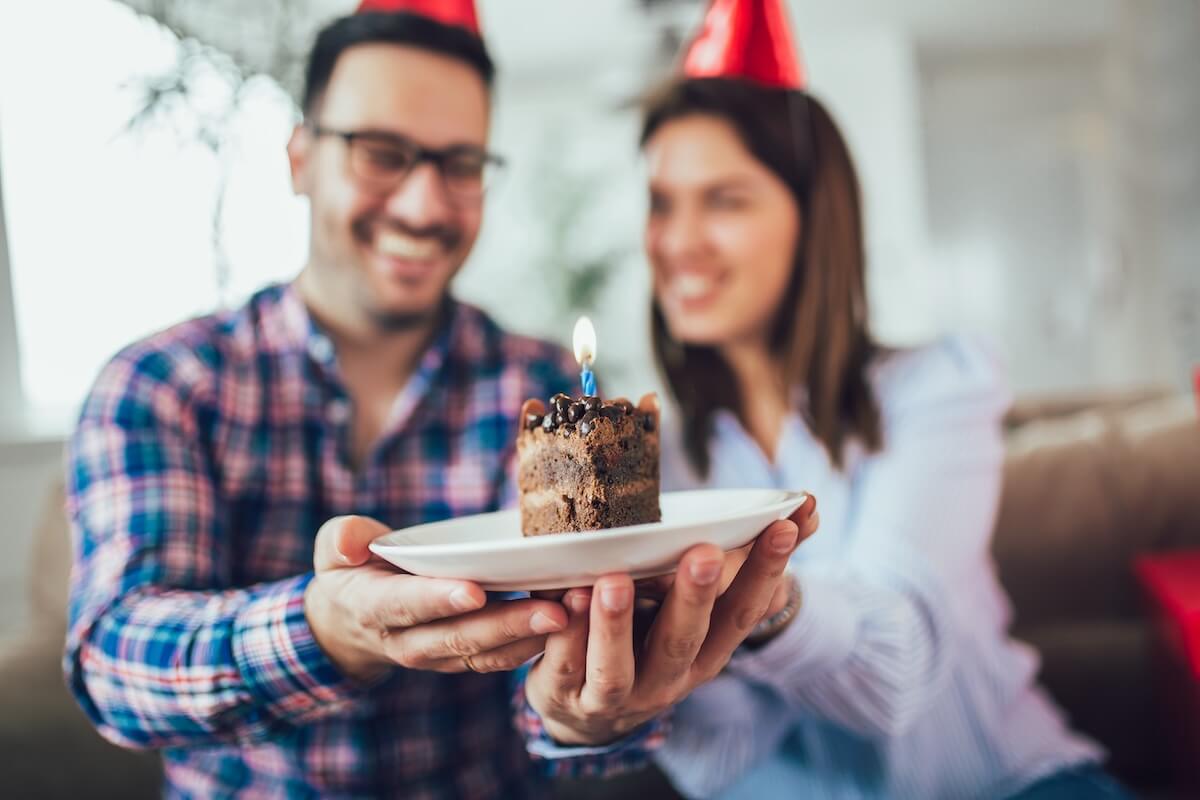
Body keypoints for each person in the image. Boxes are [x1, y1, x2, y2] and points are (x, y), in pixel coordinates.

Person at [63, 0, 812, 796]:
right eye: (381, 153)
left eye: (461, 164)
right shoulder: (164, 386)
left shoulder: (541, 393)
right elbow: (114, 666)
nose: (424, 206)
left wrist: (583, 714)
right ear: (300, 159)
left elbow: (571, 694)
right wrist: (327, 629)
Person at [522, 0, 1129, 798]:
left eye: (724, 199)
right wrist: (629, 680)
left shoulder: (939, 387)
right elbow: (719, 757)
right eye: (662, 202)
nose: (678, 241)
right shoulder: (658, 463)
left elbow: (895, 678)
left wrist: (761, 602)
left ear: (813, 219)